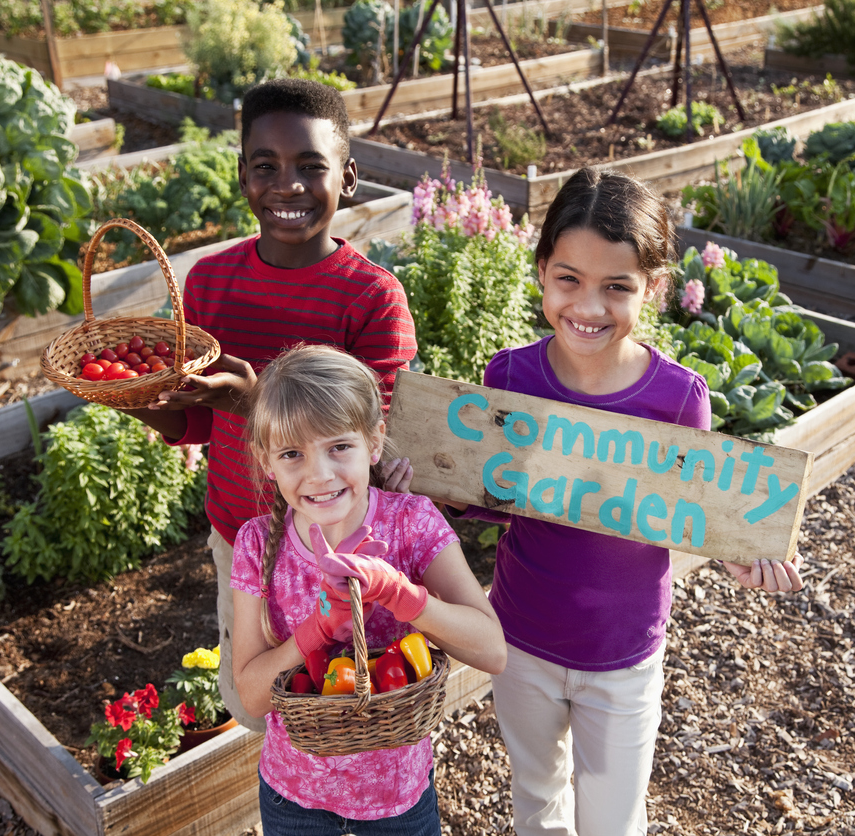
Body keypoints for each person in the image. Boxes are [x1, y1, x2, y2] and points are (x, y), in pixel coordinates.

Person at [454, 167, 805, 836]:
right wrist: (438, 487)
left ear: (654, 288)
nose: (589, 308)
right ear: (540, 273)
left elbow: (684, 510)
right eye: (569, 281)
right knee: (536, 800)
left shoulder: (677, 398)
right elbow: (498, 496)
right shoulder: (511, 376)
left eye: (616, 287)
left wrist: (731, 552)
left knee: (614, 822)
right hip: (522, 637)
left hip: (623, 654)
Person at [121, 79, 417, 732]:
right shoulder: (210, 283)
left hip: (341, 550)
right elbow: (196, 420)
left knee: (345, 701)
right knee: (259, 702)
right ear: (243, 177)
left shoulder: (370, 299)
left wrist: (259, 399)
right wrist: (140, 400)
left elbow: (366, 440)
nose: (288, 185)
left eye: (312, 167)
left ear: (349, 177)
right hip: (241, 538)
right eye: (266, 167)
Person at [230, 344, 507, 835]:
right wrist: (317, 631)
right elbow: (252, 697)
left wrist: (402, 594)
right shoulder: (256, 544)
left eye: (339, 446)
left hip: (398, 796)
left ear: (375, 441)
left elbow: (492, 650)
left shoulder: (411, 523)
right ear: (266, 461)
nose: (319, 474)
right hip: (294, 796)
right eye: (293, 454)